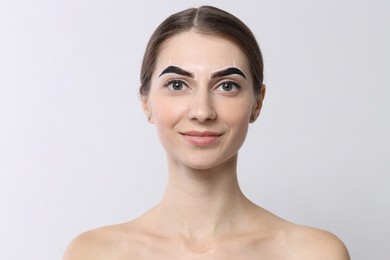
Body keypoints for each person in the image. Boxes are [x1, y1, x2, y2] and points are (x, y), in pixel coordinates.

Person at [63, 5, 350, 259]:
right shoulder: (93, 254)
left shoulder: (313, 253)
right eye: (177, 85)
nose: (202, 111)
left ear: (257, 103)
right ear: (145, 102)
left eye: (227, 85)